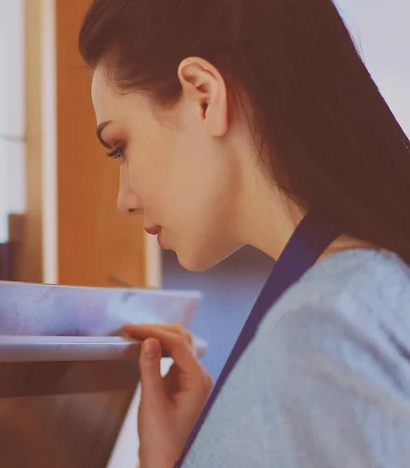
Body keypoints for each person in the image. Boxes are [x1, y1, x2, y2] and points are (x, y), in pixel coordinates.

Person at [78, 0, 410, 467]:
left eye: (120, 148)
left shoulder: (326, 323)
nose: (124, 199)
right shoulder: (354, 297)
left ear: (203, 96)